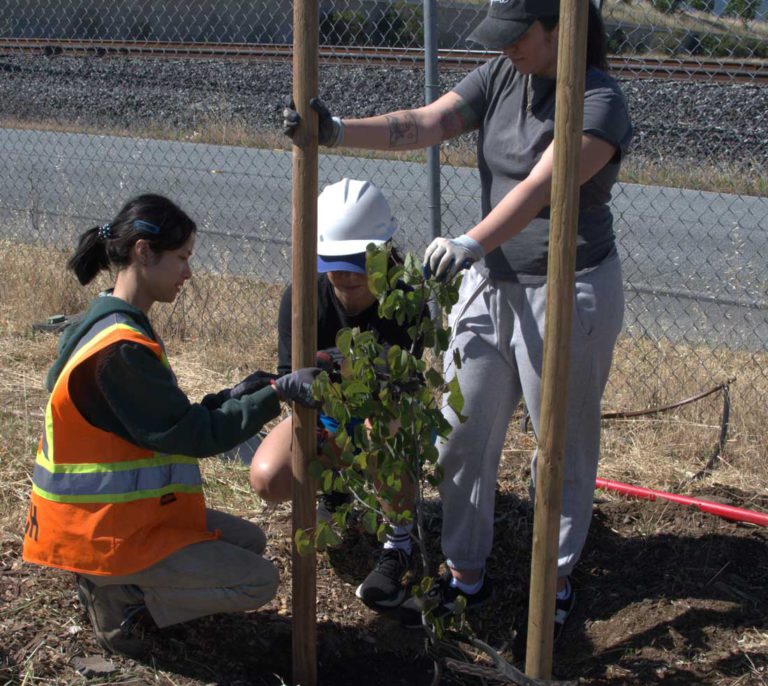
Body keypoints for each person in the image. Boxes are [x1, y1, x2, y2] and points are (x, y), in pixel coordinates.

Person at [283, 0, 632, 641]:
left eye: (517, 35)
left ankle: (553, 581)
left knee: (561, 444)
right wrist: (334, 130)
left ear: (562, 27)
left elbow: (540, 189)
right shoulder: (502, 76)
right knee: (460, 433)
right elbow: (424, 122)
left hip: (567, 288)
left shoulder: (600, 101)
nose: (506, 48)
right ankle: (465, 573)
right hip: (489, 286)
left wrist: (472, 240)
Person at [22, 194, 320, 657]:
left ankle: (120, 583)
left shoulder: (107, 322)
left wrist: (241, 394)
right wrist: (275, 397)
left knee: (252, 541)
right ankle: (123, 606)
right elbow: (193, 435)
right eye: (181, 258)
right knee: (259, 581)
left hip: (120, 519)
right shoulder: (119, 350)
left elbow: (165, 419)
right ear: (144, 252)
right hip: (103, 534)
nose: (188, 272)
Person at [249, 178, 423, 612]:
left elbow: (396, 377)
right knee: (268, 478)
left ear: (384, 253)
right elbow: (292, 377)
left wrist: (330, 360)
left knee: (380, 423)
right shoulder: (303, 296)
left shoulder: (406, 298)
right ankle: (338, 490)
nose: (344, 275)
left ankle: (399, 541)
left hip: (385, 417)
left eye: (356, 262)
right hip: (325, 415)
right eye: (334, 262)